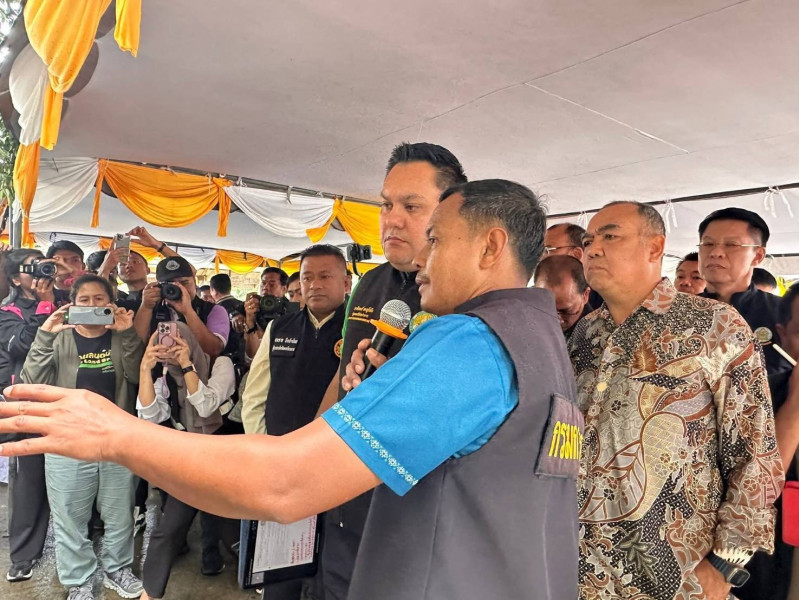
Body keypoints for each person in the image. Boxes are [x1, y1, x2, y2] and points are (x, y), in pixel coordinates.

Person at [0, 178, 582, 600]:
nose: (420, 256)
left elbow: (286, 482)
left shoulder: (467, 342)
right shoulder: (538, 334)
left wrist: (116, 435)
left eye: (435, 237)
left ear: (490, 246)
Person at [571, 201, 783, 600]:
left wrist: (725, 565)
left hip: (677, 577)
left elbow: (755, 453)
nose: (593, 249)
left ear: (655, 247)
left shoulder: (714, 325)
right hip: (579, 571)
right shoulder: (584, 334)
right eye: (587, 241)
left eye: (610, 236)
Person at [313, 141, 466, 600]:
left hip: (408, 514)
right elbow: (343, 371)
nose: (391, 220)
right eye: (386, 205)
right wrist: (312, 444)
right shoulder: (371, 282)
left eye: (411, 206)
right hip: (341, 497)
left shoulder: (460, 298)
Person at [21, 274, 144, 600]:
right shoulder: (58, 338)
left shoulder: (119, 336)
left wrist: (128, 333)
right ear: (72, 305)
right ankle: (79, 581)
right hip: (67, 442)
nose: (92, 306)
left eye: (99, 300)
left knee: (120, 514)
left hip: (116, 440)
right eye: (84, 301)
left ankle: (118, 569)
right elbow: (31, 381)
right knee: (70, 518)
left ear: (111, 304)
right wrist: (44, 336)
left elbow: (136, 375)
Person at [241, 244, 348, 599]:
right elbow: (254, 398)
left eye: (325, 276)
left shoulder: (361, 331)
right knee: (280, 571)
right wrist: (265, 454)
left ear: (346, 282)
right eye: (307, 277)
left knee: (330, 571)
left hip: (338, 469)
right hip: (282, 466)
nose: (314, 284)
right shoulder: (279, 328)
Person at [134, 325, 237, 599]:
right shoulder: (166, 375)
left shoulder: (220, 364)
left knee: (232, 530)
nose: (169, 346)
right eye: (163, 341)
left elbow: (206, 406)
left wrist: (187, 364)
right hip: (190, 460)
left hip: (224, 457)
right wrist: (145, 368)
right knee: (170, 529)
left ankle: (257, 574)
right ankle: (149, 592)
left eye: (176, 340)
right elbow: (150, 415)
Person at [0, 249, 70, 583]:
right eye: (33, 268)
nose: (42, 272)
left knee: (75, 478)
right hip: (29, 403)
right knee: (29, 484)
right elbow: (19, 347)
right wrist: (44, 307)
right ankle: (23, 556)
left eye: (45, 265)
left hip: (67, 398)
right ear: (15, 279)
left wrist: (64, 275)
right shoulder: (8, 312)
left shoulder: (67, 301)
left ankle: (83, 548)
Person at [737, 282, 799, 600]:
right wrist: (794, 409)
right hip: (774, 572)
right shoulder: (757, 401)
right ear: (783, 336)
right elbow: (751, 491)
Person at [698, 207, 791, 374]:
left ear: (758, 256)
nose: (715, 252)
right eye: (708, 244)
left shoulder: (786, 314)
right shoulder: (674, 313)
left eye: (731, 244)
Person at [133, 256, 229, 359]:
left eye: (184, 283)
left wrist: (188, 312)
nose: (179, 288)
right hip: (156, 367)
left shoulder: (214, 310)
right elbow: (135, 348)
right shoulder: (151, 307)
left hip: (197, 368)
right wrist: (146, 307)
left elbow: (213, 350)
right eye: (170, 285)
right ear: (159, 286)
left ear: (194, 282)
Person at [533, 254, 591, 338]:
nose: (554, 319)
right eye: (546, 309)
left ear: (585, 295)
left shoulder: (597, 338)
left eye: (565, 311)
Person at [243, 267, 289, 359]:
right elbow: (251, 356)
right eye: (263, 283)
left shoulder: (290, 309)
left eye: (272, 284)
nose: (265, 287)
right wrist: (250, 320)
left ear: (284, 289)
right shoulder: (251, 308)